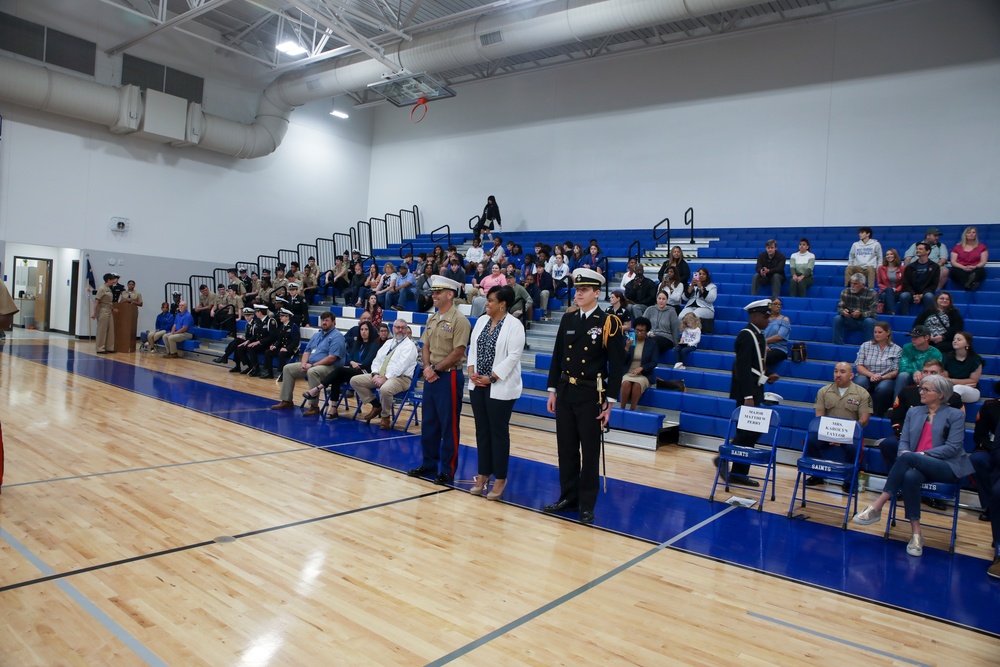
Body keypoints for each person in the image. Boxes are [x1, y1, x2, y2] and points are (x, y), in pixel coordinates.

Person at [853, 374, 973, 558]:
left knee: (909, 459)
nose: (921, 392)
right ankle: (916, 534)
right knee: (909, 476)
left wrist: (920, 455)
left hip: (946, 466)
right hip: (916, 466)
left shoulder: (955, 415)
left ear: (941, 394)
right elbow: (904, 441)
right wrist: (905, 453)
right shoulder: (914, 412)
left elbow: (953, 447)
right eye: (921, 388)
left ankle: (878, 505)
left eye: (926, 389)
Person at [543, 268, 626, 525]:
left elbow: (617, 364)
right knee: (566, 449)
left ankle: (587, 504)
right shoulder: (568, 319)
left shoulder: (608, 322)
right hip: (567, 390)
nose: (578, 293)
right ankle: (568, 497)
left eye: (585, 290)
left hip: (591, 393)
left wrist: (610, 403)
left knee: (589, 452)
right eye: (577, 289)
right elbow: (558, 357)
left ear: (597, 293)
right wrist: (552, 390)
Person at [408, 276, 472, 484]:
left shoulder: (459, 321)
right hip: (431, 375)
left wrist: (435, 368)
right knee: (429, 423)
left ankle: (447, 469)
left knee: (448, 424)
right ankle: (428, 463)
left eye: (438, 292)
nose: (433, 295)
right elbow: (425, 345)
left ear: (450, 294)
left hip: (449, 376)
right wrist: (427, 368)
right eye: (433, 292)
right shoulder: (432, 318)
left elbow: (458, 351)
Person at [467, 285, 525, 500]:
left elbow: (513, 356)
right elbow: (473, 348)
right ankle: (483, 474)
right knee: (482, 431)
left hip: (500, 386)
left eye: (490, 300)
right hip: (477, 384)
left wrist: (491, 377)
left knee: (498, 433)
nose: (486, 303)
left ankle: (500, 478)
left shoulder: (514, 325)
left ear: (503, 304)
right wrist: (472, 370)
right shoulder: (481, 321)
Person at [716, 299, 778, 486]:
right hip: (747, 392)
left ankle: (739, 473)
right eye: (765, 316)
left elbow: (754, 365)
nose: (768, 319)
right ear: (754, 316)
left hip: (755, 387)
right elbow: (742, 367)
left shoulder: (758, 335)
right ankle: (723, 457)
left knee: (752, 432)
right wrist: (748, 396)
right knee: (748, 431)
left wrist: (767, 376)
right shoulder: (746, 335)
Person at [880, 359, 963, 472]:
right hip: (908, 434)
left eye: (933, 372)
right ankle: (895, 473)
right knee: (889, 444)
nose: (928, 375)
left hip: (938, 439)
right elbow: (897, 418)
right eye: (925, 372)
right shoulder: (908, 391)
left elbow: (955, 427)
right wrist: (907, 437)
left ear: (942, 375)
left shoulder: (953, 397)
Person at [804, 362, 873, 487]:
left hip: (851, 434)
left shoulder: (862, 393)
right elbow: (819, 417)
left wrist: (843, 436)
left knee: (854, 447)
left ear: (851, 376)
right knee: (811, 440)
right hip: (827, 431)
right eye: (836, 371)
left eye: (842, 372)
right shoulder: (823, 391)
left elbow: (864, 420)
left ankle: (849, 479)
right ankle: (817, 475)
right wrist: (831, 435)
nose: (838, 374)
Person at [270, 312, 346, 416]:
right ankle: (287, 401)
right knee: (288, 368)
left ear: (334, 322)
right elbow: (307, 351)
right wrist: (303, 363)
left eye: (327, 320)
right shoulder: (317, 335)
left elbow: (332, 358)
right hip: (311, 364)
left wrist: (313, 365)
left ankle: (314, 406)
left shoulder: (337, 336)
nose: (324, 322)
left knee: (312, 371)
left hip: (330, 369)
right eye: (322, 320)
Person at [350, 319, 419, 429]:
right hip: (381, 375)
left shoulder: (409, 346)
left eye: (403, 328)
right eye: (397, 327)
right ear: (393, 329)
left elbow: (401, 367)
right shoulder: (388, 343)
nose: (400, 330)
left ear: (406, 330)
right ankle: (376, 405)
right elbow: (377, 360)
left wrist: (385, 378)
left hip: (401, 378)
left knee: (385, 389)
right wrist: (375, 374)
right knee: (355, 380)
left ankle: (385, 416)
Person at [303, 320, 380, 417]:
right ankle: (333, 407)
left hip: (364, 372)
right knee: (337, 378)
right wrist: (352, 362)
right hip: (353, 370)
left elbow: (367, 363)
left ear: (370, 331)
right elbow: (349, 358)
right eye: (361, 329)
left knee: (339, 370)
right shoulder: (357, 343)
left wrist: (355, 364)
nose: (363, 332)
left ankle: (318, 388)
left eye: (366, 329)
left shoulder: (374, 345)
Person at [853, 321, 902, 417]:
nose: (877, 334)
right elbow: (859, 365)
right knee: (859, 382)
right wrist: (872, 375)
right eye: (875, 332)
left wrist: (882, 377)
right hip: (867, 375)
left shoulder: (897, 349)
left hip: (885, 377)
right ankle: (856, 412)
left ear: (887, 333)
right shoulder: (865, 345)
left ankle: (877, 414)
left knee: (883, 388)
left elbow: (895, 370)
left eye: (880, 332)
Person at [894, 325, 944, 400]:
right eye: (912, 337)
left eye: (916, 337)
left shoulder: (936, 353)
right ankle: (896, 404)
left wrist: (922, 374)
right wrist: (914, 372)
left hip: (928, 378)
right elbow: (902, 367)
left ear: (926, 337)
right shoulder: (907, 347)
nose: (913, 339)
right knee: (902, 375)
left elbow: (936, 372)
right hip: (910, 377)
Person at [620, 317, 656, 411]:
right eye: (637, 330)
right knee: (626, 383)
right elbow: (621, 360)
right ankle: (622, 408)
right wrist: (627, 348)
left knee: (637, 384)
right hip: (628, 372)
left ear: (647, 331)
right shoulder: (628, 341)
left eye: (642, 331)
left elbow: (654, 362)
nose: (639, 333)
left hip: (644, 374)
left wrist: (642, 368)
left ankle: (632, 409)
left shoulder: (652, 344)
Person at [832, 273, 877, 345]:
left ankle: (869, 346)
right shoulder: (845, 292)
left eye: (855, 284)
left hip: (864, 321)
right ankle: (837, 345)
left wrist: (861, 314)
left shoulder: (872, 293)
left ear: (863, 285)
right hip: (850, 319)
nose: (852, 286)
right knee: (837, 319)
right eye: (851, 283)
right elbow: (840, 307)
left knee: (869, 321)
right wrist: (844, 312)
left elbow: (873, 312)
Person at [900, 242, 942, 314]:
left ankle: (927, 317)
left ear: (927, 251)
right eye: (917, 249)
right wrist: (914, 295)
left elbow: (933, 285)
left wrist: (921, 295)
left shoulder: (935, 267)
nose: (918, 250)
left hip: (926, 293)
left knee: (929, 296)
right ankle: (904, 317)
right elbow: (906, 284)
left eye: (920, 249)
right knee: (904, 296)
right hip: (912, 293)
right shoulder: (910, 267)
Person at [259, 308, 300, 379]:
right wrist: (274, 346)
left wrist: (287, 349)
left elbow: (296, 341)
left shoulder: (293, 326)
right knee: (268, 352)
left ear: (287, 317)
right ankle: (269, 372)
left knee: (281, 354)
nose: (280, 317)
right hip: (282, 348)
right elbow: (279, 340)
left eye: (282, 316)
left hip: (290, 349)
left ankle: (282, 373)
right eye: (280, 316)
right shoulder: (281, 327)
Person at [943, 331, 983, 403]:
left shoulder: (975, 359)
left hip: (971, 390)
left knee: (957, 388)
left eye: (959, 340)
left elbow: (973, 381)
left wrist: (952, 381)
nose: (955, 341)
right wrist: (962, 382)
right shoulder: (947, 357)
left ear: (967, 343)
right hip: (950, 388)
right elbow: (945, 378)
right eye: (954, 339)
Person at [950, 226, 988, 291]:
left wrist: (974, 267)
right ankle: (970, 284)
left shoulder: (982, 247)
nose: (971, 234)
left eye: (973, 232)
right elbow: (953, 262)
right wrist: (963, 267)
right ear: (965, 234)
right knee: (955, 272)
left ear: (976, 234)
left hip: (975, 268)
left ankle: (968, 284)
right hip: (961, 268)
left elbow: (983, 261)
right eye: (969, 232)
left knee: (980, 271)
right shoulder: (957, 247)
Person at [642, 290, 679, 356]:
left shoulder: (671, 311)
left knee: (654, 341)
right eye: (659, 298)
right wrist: (648, 333)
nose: (661, 301)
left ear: (667, 300)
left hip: (666, 338)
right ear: (656, 299)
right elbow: (642, 325)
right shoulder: (650, 309)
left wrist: (676, 345)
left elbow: (675, 329)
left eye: (663, 299)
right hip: (650, 336)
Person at [762, 297, 791, 374]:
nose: (778, 306)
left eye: (780, 304)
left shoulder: (785, 319)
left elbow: (779, 337)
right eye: (775, 304)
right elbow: (759, 334)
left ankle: (770, 375)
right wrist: (764, 345)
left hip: (778, 348)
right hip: (764, 346)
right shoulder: (764, 319)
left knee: (761, 358)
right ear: (769, 306)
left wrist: (764, 341)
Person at [92, 273, 117, 353]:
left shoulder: (108, 289)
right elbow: (97, 301)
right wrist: (94, 312)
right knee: (102, 329)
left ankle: (109, 347)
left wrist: (113, 309)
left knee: (110, 329)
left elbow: (108, 301)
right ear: (108, 280)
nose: (114, 281)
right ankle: (100, 348)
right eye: (113, 280)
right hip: (103, 310)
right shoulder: (102, 289)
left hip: (109, 310)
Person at [876, 248, 905, 315]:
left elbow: (904, 282)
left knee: (884, 296)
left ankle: (887, 314)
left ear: (895, 255)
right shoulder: (881, 268)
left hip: (898, 292)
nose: (889, 256)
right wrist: (891, 289)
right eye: (887, 255)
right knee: (888, 290)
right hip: (885, 290)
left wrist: (896, 289)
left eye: (891, 254)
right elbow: (879, 283)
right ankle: (891, 312)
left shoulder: (902, 268)